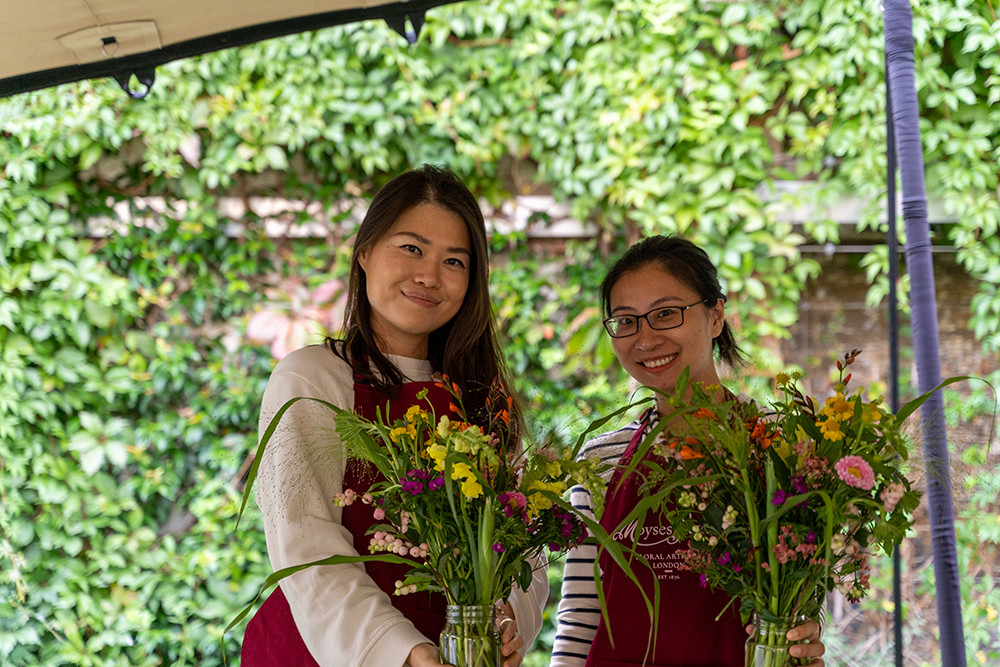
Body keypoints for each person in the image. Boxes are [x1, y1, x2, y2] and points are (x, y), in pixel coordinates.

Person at [241, 165, 548, 667]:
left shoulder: (483, 397)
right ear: (364, 253)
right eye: (411, 248)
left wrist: (508, 619)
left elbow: (524, 547)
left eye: (455, 260)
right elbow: (306, 545)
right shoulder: (312, 379)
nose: (429, 275)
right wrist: (401, 651)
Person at [550, 235, 825, 667]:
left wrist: (804, 633)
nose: (645, 339)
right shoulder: (601, 459)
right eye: (626, 321)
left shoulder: (782, 446)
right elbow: (582, 616)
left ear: (715, 316)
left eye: (665, 314)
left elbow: (802, 595)